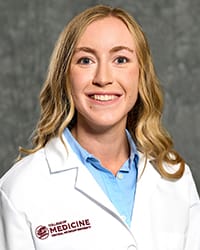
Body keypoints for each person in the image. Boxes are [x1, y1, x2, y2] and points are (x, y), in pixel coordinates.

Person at [0, 4, 200, 250]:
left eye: (121, 59)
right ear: (65, 77)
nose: (103, 78)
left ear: (141, 74)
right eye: (85, 60)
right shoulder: (20, 190)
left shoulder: (176, 178)